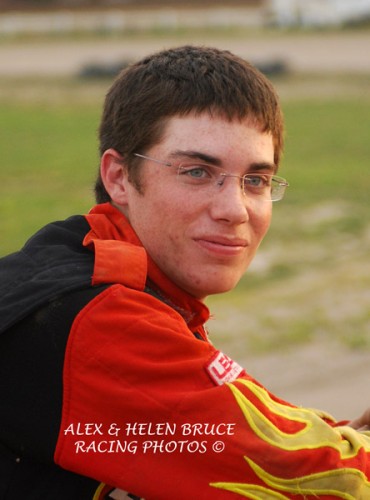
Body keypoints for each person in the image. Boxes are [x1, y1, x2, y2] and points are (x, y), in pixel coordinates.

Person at [0, 45, 369, 500]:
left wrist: (339, 437)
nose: (235, 210)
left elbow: (242, 433)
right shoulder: (94, 318)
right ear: (119, 177)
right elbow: (306, 477)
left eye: (255, 180)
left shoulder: (90, 266)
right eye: (196, 171)